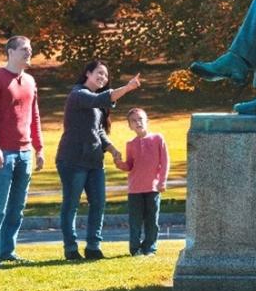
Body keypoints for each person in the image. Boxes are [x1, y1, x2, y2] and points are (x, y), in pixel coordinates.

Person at [55, 60, 141, 260]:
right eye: (99, 73)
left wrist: (110, 148)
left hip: (94, 161)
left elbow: (98, 130)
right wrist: (128, 88)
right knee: (71, 204)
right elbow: (102, 98)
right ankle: (70, 249)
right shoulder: (78, 94)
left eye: (105, 75)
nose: (103, 77)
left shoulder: (96, 101)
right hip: (72, 160)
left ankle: (93, 247)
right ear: (88, 73)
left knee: (98, 203)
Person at [0, 35, 44, 266]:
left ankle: (8, 251)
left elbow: (34, 116)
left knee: (17, 207)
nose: (29, 53)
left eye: (30, 49)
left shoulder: (30, 81)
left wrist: (39, 148)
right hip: (3, 153)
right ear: (10, 52)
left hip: (25, 152)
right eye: (24, 49)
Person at [114, 108, 170, 256]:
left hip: (152, 187)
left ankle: (149, 248)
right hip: (134, 190)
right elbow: (130, 166)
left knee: (152, 221)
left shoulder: (158, 138)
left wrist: (162, 181)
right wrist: (120, 163)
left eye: (140, 119)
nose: (138, 122)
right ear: (130, 126)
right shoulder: (130, 144)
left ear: (147, 121)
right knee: (135, 222)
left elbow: (164, 162)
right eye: (133, 120)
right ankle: (135, 249)